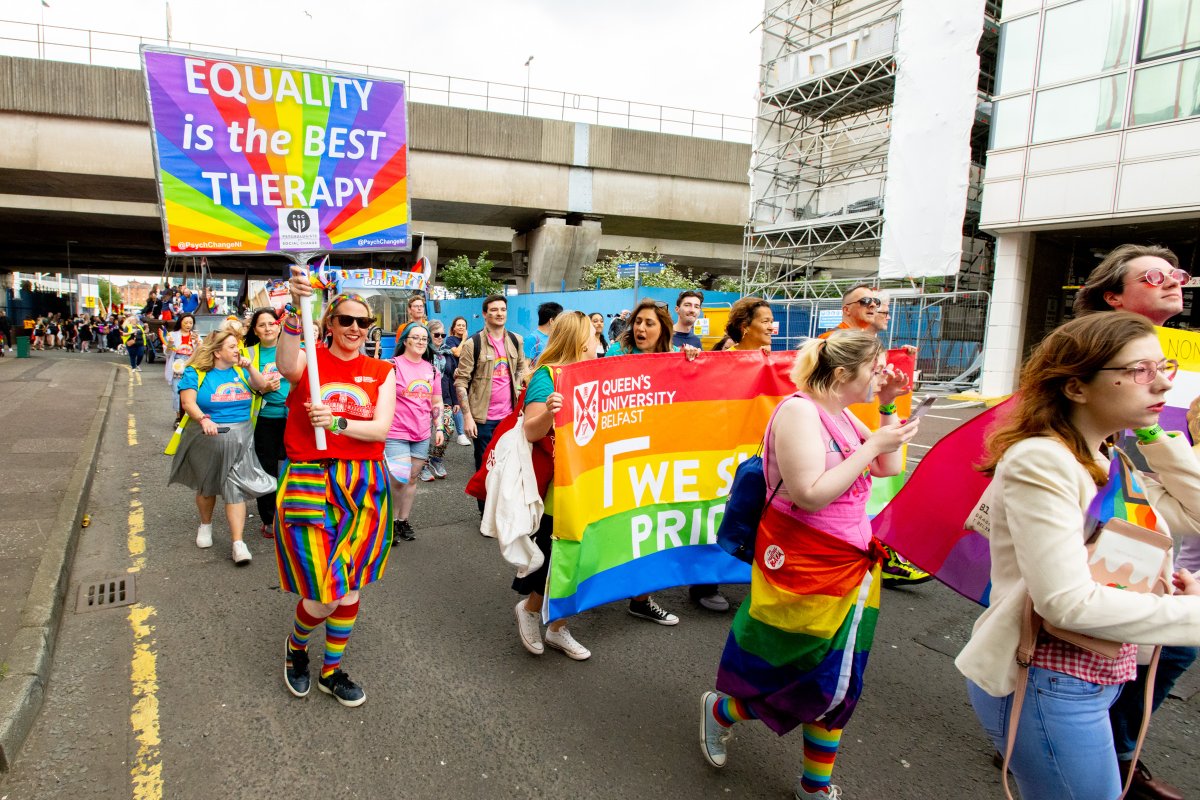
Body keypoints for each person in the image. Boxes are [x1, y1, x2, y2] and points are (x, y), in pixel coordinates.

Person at [958, 311, 1200, 800]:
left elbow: (1193, 518)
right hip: (1048, 680)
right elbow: (1065, 602)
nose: (1161, 385)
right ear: (1077, 387)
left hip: (1095, 672)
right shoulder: (1042, 460)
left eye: (1163, 367)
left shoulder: (1107, 455)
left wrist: (1155, 440)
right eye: (1139, 371)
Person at [701, 330, 917, 799]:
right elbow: (810, 493)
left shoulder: (842, 414)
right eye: (873, 368)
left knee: (838, 681)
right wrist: (871, 445)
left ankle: (814, 787)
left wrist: (887, 404)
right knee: (794, 674)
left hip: (853, 567)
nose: (880, 372)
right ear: (842, 374)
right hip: (802, 564)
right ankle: (721, 713)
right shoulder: (800, 411)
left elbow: (889, 467)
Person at [1073, 244, 1195, 800]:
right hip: (1092, 558)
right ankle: (1105, 754)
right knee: (1089, 652)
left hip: (1150, 547)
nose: (1173, 282)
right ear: (1112, 295)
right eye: (1154, 275)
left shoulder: (1179, 368)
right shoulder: (1079, 371)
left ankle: (1114, 752)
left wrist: (1152, 436)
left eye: (1178, 274)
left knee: (1148, 655)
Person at [275, 277, 398, 708]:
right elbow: (287, 366)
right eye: (346, 319)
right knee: (323, 592)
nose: (355, 328)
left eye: (363, 322)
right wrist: (295, 307)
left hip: (364, 481)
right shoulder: (309, 357)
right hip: (311, 477)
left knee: (349, 589)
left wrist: (337, 423)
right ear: (329, 322)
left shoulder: (383, 371)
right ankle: (295, 647)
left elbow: (380, 429)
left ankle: (330, 670)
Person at [604, 298, 702, 624]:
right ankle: (600, 583)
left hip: (660, 455)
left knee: (654, 525)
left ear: (663, 329)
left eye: (649, 323)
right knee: (619, 523)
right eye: (638, 322)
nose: (641, 328)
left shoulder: (676, 359)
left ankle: (641, 598)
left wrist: (692, 364)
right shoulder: (617, 356)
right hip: (622, 453)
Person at [512, 311, 595, 662]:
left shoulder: (597, 373)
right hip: (560, 487)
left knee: (587, 560)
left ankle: (558, 628)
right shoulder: (548, 377)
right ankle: (531, 610)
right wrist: (548, 412)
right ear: (578, 339)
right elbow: (531, 430)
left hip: (595, 481)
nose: (598, 341)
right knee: (559, 559)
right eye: (593, 334)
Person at [170, 328, 274, 566]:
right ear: (217, 352)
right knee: (207, 485)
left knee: (234, 488)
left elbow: (262, 386)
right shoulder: (194, 372)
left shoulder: (241, 369)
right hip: (207, 436)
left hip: (241, 436)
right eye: (231, 346)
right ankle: (205, 524)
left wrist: (249, 367)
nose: (237, 350)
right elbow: (188, 402)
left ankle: (238, 543)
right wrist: (205, 419)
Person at [454, 294, 526, 514]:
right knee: (487, 467)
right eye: (494, 310)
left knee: (510, 465)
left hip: (510, 416)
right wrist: (467, 417)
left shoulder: (516, 340)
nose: (499, 313)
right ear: (485, 314)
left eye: (503, 309)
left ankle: (504, 510)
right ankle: (486, 513)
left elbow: (521, 369)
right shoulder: (472, 344)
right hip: (483, 418)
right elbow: (461, 380)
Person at [385, 322, 445, 542]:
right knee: (398, 480)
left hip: (421, 433)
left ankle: (403, 520)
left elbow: (436, 400)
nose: (421, 342)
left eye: (424, 338)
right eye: (416, 337)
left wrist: (439, 427)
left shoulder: (431, 369)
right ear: (405, 340)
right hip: (396, 432)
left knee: (411, 479)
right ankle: (389, 523)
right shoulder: (391, 366)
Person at [244, 308, 290, 540]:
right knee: (266, 469)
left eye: (272, 323)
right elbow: (240, 387)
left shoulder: (292, 349)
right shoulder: (249, 353)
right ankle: (269, 518)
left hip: (293, 419)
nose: (268, 328)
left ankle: (293, 515)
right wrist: (261, 388)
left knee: (293, 467)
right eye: (262, 325)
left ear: (279, 326)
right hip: (264, 420)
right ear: (255, 330)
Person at [422, 319, 456, 482]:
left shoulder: (447, 353)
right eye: (437, 335)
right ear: (428, 335)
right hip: (422, 399)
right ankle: (421, 465)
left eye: (443, 334)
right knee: (424, 432)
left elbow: (451, 377)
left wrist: (455, 401)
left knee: (448, 427)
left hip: (444, 397)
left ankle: (435, 458)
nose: (441, 337)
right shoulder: (421, 353)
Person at [164, 314, 198, 425]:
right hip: (177, 365)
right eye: (186, 322)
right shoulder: (172, 335)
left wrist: (197, 342)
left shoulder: (195, 336)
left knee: (192, 391)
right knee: (176, 391)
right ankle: (178, 417)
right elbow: (167, 353)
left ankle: (190, 415)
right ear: (180, 323)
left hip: (191, 364)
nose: (188, 325)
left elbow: (201, 352)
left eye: (190, 323)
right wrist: (170, 344)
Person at [445, 316, 471, 446]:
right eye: (458, 325)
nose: (461, 327)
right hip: (454, 376)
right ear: (454, 327)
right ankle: (460, 434)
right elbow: (457, 353)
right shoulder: (450, 340)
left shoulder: (471, 340)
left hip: (468, 375)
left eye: (463, 325)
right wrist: (464, 340)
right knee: (457, 403)